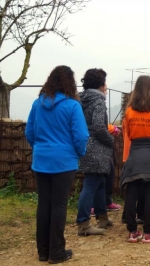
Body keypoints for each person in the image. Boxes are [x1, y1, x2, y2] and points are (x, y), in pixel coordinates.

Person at [25, 65, 89, 263]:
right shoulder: (72, 106)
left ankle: (43, 251)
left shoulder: (37, 104)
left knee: (44, 203)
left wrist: (41, 148)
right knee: (59, 205)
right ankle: (57, 252)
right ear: (70, 83)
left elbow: (30, 132)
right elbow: (81, 136)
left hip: (41, 160)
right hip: (64, 161)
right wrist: (78, 153)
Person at [120, 75, 150, 243]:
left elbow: (127, 133)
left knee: (131, 192)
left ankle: (132, 231)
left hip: (135, 153)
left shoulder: (129, 111)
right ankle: (149, 232)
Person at [76, 68, 114, 236]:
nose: (106, 86)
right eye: (105, 82)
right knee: (91, 184)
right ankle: (83, 223)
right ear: (100, 84)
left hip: (85, 144)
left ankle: (102, 217)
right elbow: (99, 126)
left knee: (99, 182)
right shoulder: (98, 100)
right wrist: (110, 140)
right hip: (97, 147)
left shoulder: (80, 99)